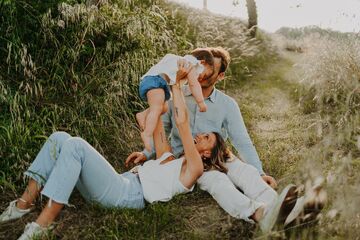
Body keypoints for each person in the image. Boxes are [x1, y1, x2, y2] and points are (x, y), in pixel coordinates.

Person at [0, 61, 227, 240]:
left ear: (207, 153)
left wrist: (178, 85)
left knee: (76, 145)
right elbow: (156, 112)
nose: (199, 136)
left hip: (128, 195)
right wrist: (166, 79)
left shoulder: (194, 169)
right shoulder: (167, 156)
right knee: (59, 137)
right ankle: (24, 204)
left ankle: (43, 225)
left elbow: (182, 123)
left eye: (206, 138)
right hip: (119, 183)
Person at [128, 47, 281, 225]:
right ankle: (258, 213)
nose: (200, 77)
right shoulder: (175, 97)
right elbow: (163, 129)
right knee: (217, 180)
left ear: (220, 76)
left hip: (217, 153)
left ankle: (279, 206)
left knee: (244, 171)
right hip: (188, 162)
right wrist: (146, 153)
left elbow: (242, 141)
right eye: (199, 72)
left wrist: (260, 172)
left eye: (208, 74)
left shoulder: (227, 104)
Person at [136, 49, 214, 151]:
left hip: (158, 82)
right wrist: (201, 102)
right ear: (203, 62)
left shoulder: (183, 61)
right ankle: (147, 133)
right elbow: (194, 84)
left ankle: (143, 114)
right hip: (155, 80)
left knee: (163, 108)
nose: (202, 78)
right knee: (157, 108)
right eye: (206, 74)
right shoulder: (192, 64)